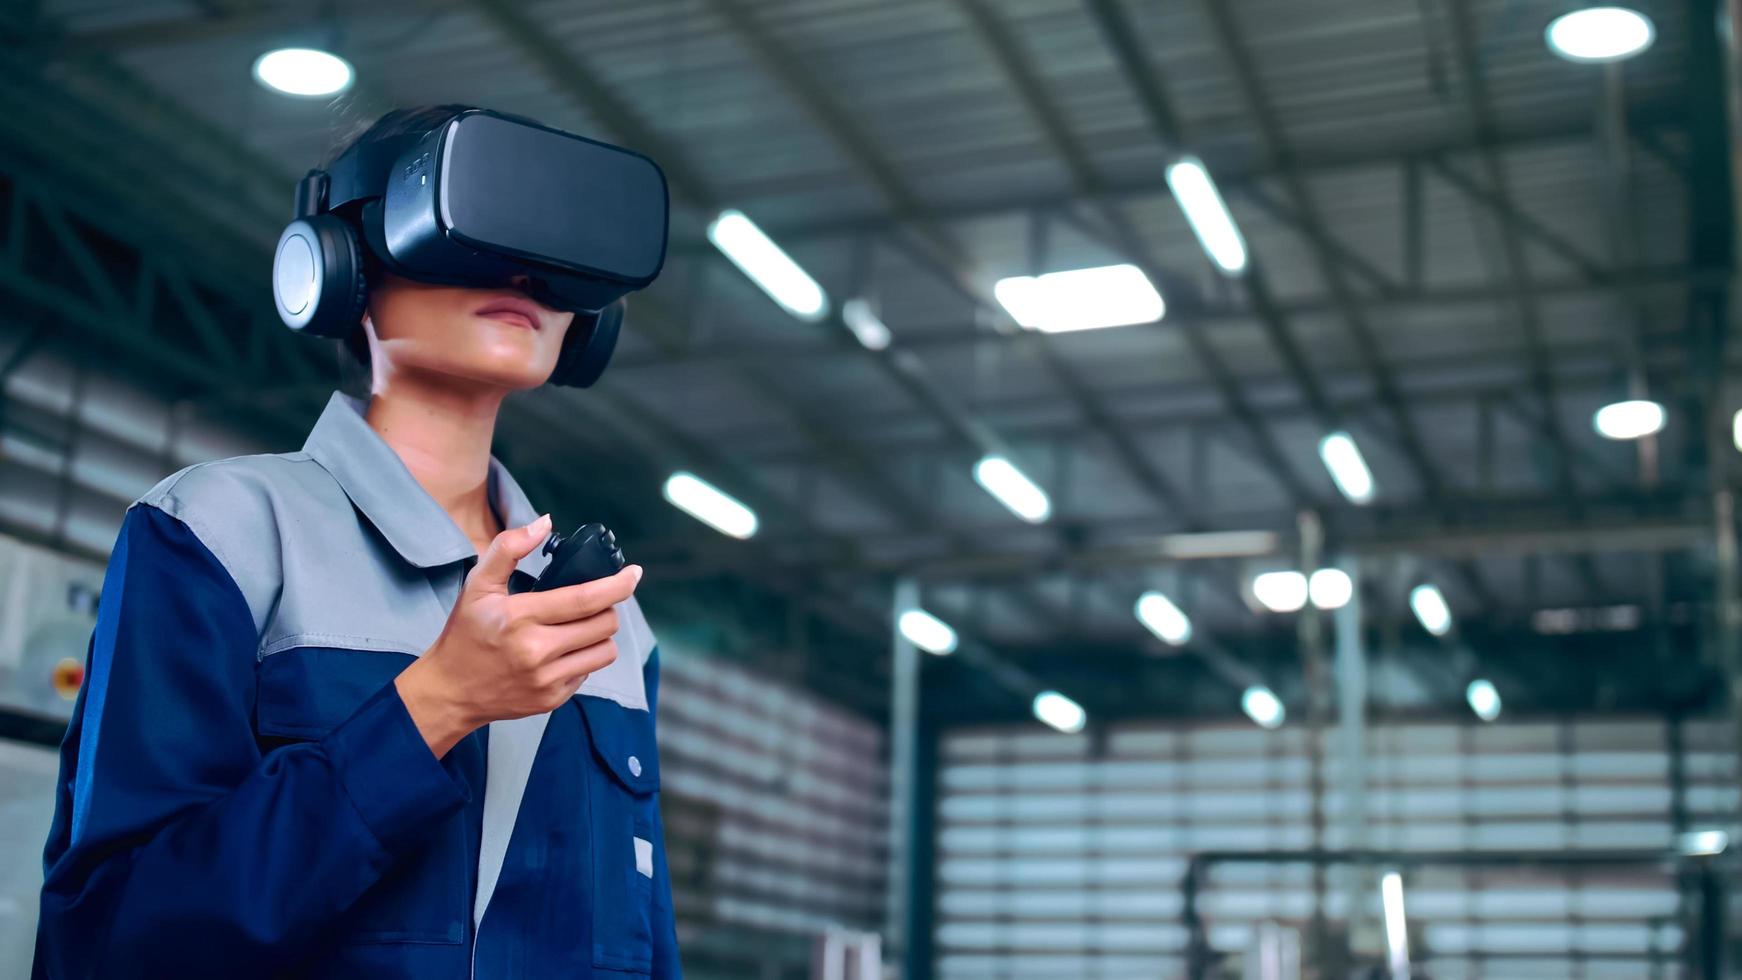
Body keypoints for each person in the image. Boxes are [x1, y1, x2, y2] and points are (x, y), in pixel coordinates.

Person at [31, 106, 682, 978]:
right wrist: (435, 705)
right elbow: (115, 937)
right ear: (337, 265)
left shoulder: (611, 624)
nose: (524, 272)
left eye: (555, 251)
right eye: (474, 225)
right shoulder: (224, 534)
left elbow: (644, 949)